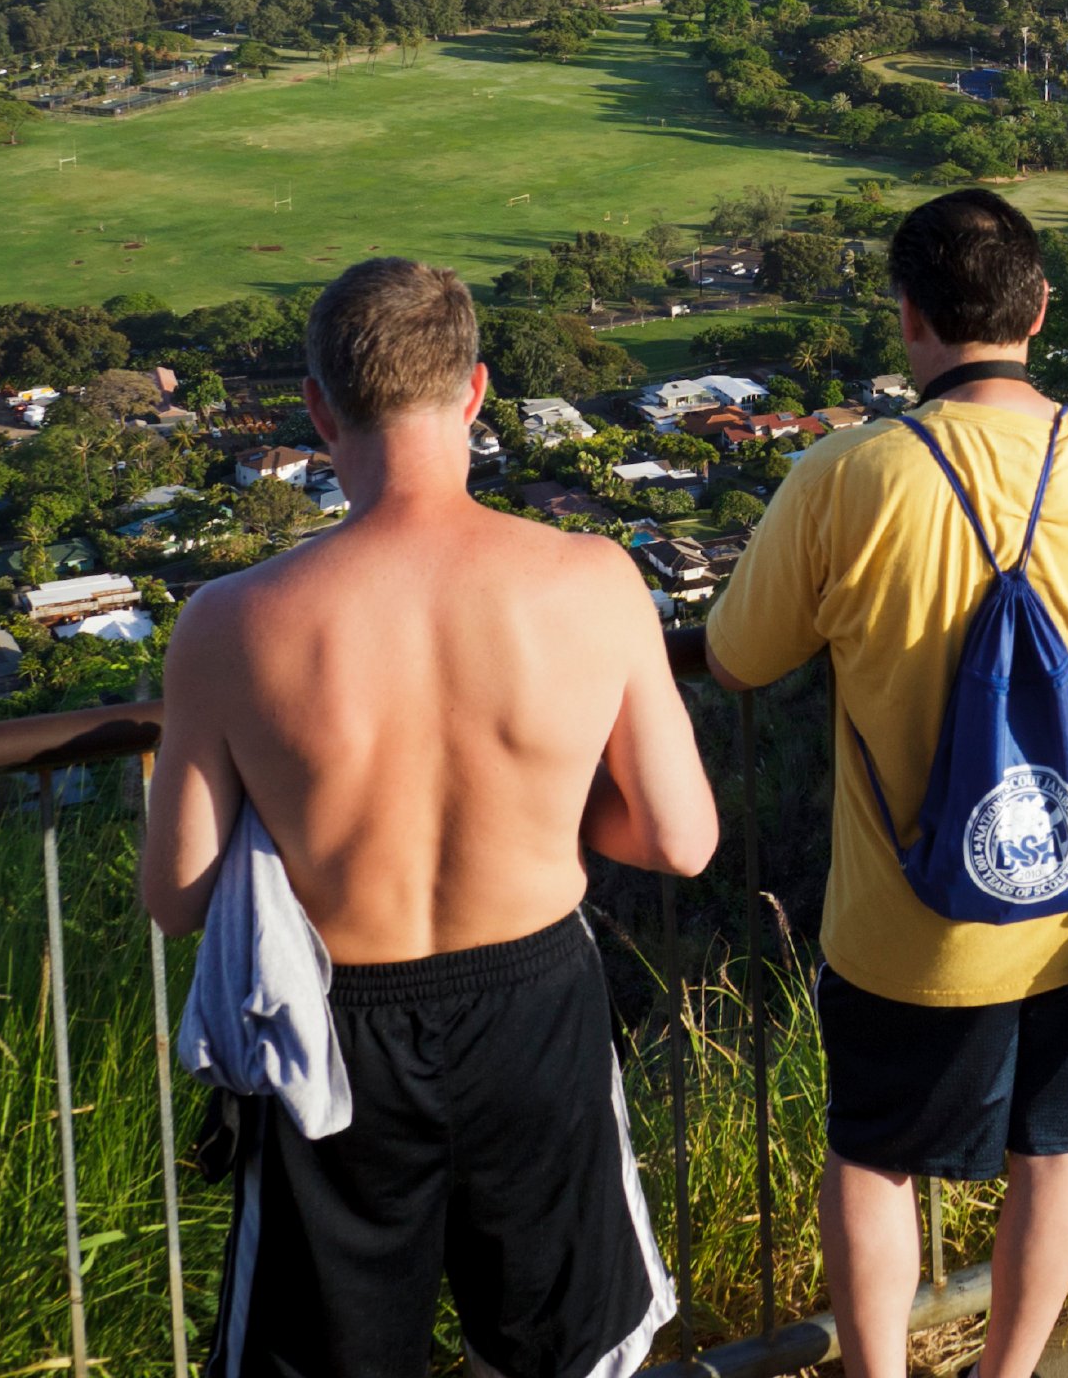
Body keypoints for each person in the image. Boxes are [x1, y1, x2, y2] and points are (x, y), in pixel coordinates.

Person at [139, 257, 723, 1378]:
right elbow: (680, 837)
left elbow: (176, 898)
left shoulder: (231, 624)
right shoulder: (592, 579)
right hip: (535, 999)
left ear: (319, 407)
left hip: (334, 1031)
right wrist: (542, 802)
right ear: (475, 391)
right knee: (570, 1348)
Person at [705, 189, 1068, 1378]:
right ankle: (1008, 1370)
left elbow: (737, 654)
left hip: (916, 919)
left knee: (876, 1154)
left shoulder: (848, 472)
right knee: (1061, 1138)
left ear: (910, 319)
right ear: (1039, 310)